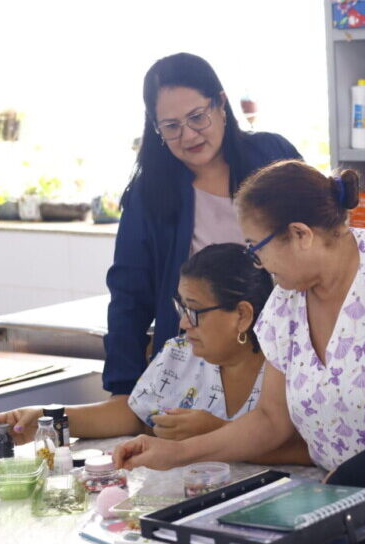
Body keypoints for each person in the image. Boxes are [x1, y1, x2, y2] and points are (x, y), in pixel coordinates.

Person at [113, 161, 365, 500]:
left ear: (300, 235)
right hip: (363, 495)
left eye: (256, 248)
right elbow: (271, 420)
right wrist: (177, 453)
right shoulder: (284, 304)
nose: (257, 264)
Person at [0, 244, 312, 465]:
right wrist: (45, 419)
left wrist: (215, 433)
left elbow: (312, 452)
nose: (183, 323)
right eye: (180, 307)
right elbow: (131, 414)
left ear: (241, 315)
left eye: (195, 311)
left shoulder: (289, 367)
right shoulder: (181, 356)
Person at [104, 52, 301, 405]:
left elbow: (316, 240)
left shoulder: (271, 155)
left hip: (288, 357)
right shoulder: (149, 194)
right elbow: (129, 295)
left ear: (221, 104)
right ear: (156, 128)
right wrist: (123, 387)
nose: (189, 135)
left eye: (198, 117)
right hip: (200, 373)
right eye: (171, 126)